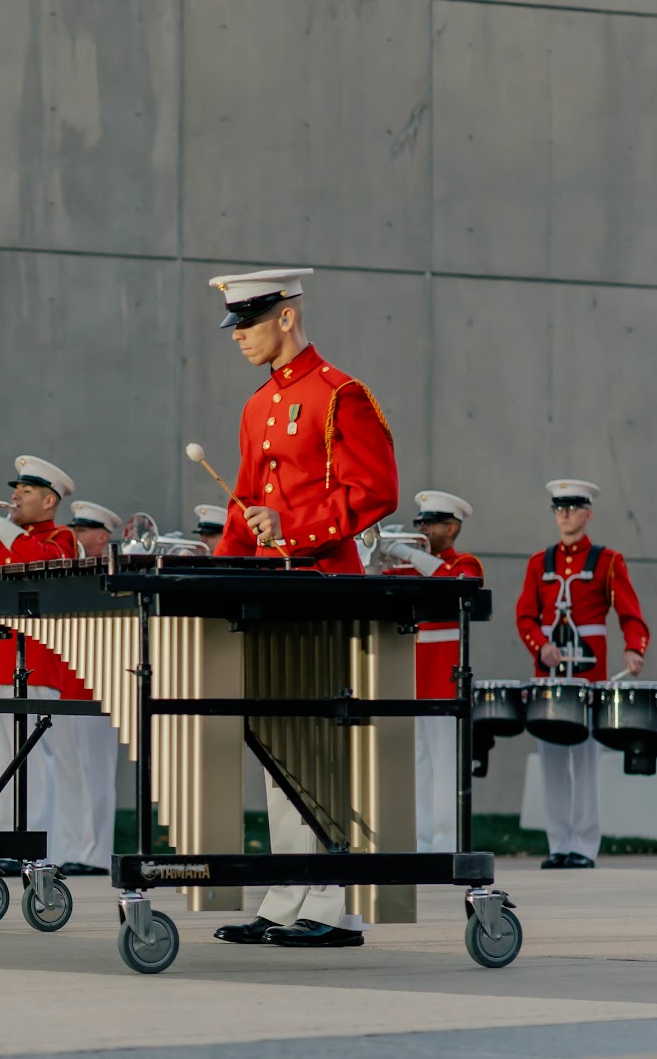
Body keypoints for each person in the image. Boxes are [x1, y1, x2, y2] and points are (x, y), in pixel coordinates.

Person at [205, 268, 397, 951]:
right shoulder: (258, 407)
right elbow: (242, 504)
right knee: (277, 745)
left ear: (287, 316)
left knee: (316, 742)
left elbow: (375, 491)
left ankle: (330, 897)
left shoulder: (340, 395)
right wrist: (221, 576)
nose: (239, 338)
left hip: (322, 587)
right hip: (269, 592)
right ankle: (290, 893)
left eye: (250, 324)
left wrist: (289, 526)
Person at [0, 458, 88, 873]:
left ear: (49, 500)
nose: (14, 497)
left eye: (25, 492)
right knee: (5, 762)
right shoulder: (9, 541)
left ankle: (35, 846)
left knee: (31, 759)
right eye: (16, 491)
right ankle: (15, 841)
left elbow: (39, 558)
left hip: (36, 665)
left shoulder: (62, 537)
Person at [513, 479, 648, 870]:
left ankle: (584, 846)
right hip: (550, 679)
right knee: (552, 762)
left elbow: (630, 614)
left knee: (586, 765)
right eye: (559, 508)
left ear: (588, 513)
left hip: (590, 679)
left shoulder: (608, 561)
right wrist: (541, 645)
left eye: (573, 507)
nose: (565, 514)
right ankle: (558, 844)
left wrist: (634, 649)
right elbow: (524, 615)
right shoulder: (539, 562)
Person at [385, 490, 482, 854]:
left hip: (444, 681)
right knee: (417, 767)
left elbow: (453, 584)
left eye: (429, 523)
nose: (422, 527)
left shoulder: (466, 563)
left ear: (451, 528)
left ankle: (445, 844)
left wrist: (410, 553)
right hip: (410, 682)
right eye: (420, 522)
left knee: (445, 769)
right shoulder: (410, 568)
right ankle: (419, 841)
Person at [55, 499, 124, 874]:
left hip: (98, 685)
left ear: (102, 535)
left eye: (82, 530)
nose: (75, 535)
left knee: (96, 772)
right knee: (69, 771)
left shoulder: (115, 574)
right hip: (66, 682)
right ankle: (72, 848)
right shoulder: (69, 572)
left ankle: (96, 854)